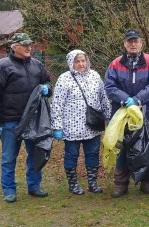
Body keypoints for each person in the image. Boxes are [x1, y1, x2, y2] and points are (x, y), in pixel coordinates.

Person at [0, 33, 51, 203]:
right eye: (25, 45)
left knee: (34, 154)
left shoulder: (37, 65)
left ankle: (34, 186)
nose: (29, 48)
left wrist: (47, 88)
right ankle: (8, 189)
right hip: (10, 120)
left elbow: (48, 83)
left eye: (30, 44)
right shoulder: (2, 66)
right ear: (14, 47)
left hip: (33, 120)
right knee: (9, 157)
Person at [105, 29, 149, 197]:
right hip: (121, 113)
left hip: (144, 112)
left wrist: (136, 100)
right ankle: (121, 184)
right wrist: (125, 99)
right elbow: (109, 86)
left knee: (146, 147)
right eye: (130, 41)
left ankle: (146, 182)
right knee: (122, 147)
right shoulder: (115, 64)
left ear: (141, 43)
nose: (133, 44)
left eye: (136, 41)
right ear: (124, 44)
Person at [50, 50, 111, 195]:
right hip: (72, 127)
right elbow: (57, 104)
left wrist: (108, 116)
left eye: (83, 60)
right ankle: (72, 184)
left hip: (93, 126)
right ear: (71, 63)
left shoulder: (95, 76)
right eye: (77, 61)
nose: (81, 64)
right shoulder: (64, 79)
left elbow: (103, 98)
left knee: (93, 154)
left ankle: (92, 183)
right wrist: (57, 126)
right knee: (71, 155)